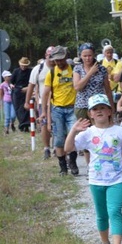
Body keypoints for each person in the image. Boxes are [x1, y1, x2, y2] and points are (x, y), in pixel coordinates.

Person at [65, 93, 122, 244]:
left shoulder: (120, 131)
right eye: (95, 109)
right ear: (90, 114)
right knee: (101, 214)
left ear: (110, 111)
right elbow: (68, 148)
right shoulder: (88, 133)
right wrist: (73, 130)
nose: (99, 111)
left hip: (117, 179)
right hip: (96, 180)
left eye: (102, 107)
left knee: (115, 212)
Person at [43, 46, 80, 176]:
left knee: (73, 136)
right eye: (56, 60)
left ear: (65, 57)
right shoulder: (51, 73)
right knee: (59, 140)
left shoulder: (74, 70)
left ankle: (73, 163)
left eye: (61, 59)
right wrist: (44, 114)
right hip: (57, 109)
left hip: (72, 108)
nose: (59, 62)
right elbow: (46, 94)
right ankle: (63, 167)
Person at [25, 48, 54, 158]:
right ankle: (46, 148)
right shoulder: (38, 69)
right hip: (43, 102)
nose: (51, 57)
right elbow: (31, 85)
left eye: (53, 55)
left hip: (59, 101)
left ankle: (57, 146)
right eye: (49, 55)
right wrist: (27, 102)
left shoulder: (59, 67)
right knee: (44, 125)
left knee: (57, 125)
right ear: (45, 55)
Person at [73, 43, 114, 121]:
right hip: (83, 106)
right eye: (85, 56)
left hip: (99, 105)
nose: (87, 58)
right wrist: (90, 73)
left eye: (89, 55)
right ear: (81, 56)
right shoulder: (77, 69)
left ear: (94, 55)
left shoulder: (102, 69)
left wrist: (111, 107)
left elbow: (108, 89)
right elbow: (77, 87)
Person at [10, 56, 32, 131]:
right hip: (17, 91)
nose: (23, 67)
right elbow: (11, 81)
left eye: (25, 65)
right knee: (18, 108)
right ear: (20, 65)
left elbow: (32, 82)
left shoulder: (30, 71)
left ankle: (26, 125)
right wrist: (11, 85)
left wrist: (28, 88)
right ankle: (21, 124)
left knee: (26, 108)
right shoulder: (16, 71)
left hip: (27, 90)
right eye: (22, 65)